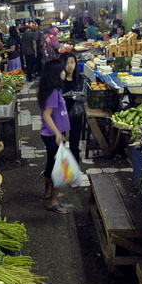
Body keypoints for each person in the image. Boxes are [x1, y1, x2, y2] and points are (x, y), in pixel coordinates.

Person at [38, 59, 71, 214]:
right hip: (53, 135)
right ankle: (53, 201)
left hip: (49, 134)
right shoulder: (52, 93)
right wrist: (58, 133)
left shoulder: (49, 90)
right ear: (55, 75)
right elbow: (47, 115)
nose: (65, 72)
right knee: (59, 169)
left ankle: (47, 193)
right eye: (62, 71)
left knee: (51, 164)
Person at [60, 52, 85, 187]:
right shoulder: (58, 80)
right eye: (67, 63)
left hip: (76, 115)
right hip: (61, 117)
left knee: (74, 145)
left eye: (72, 62)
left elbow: (87, 97)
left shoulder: (81, 80)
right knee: (61, 145)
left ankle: (75, 175)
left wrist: (81, 97)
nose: (70, 66)